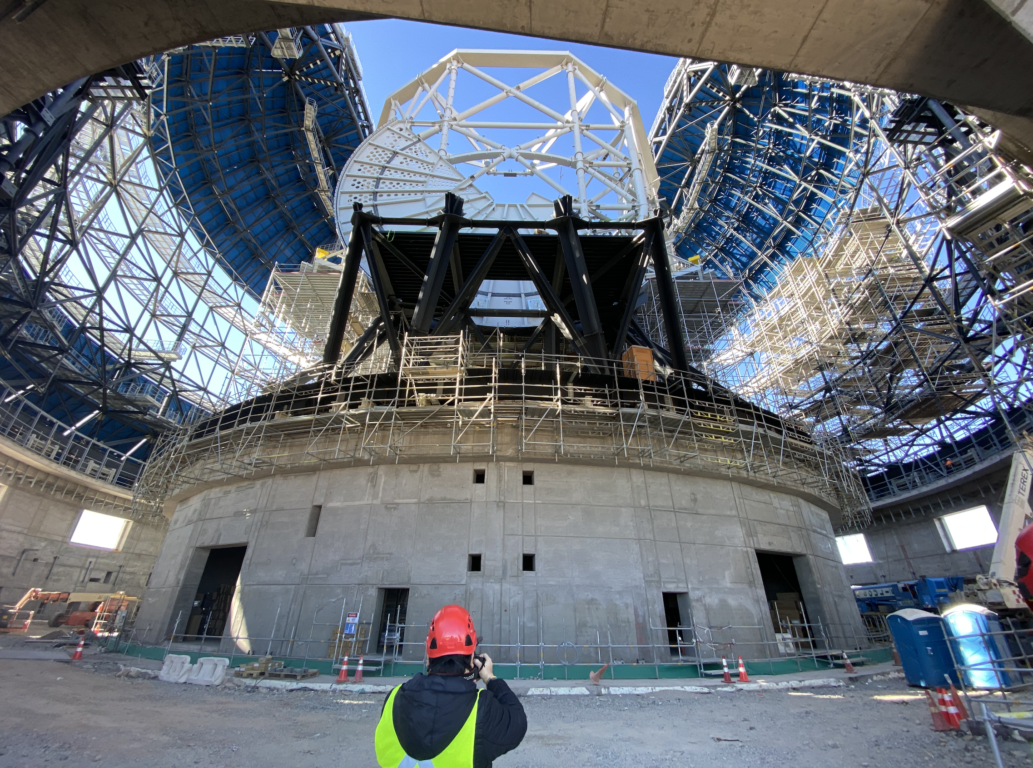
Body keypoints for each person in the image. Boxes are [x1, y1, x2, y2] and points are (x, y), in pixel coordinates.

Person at [375, 604, 527, 768]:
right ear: (471, 659)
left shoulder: (394, 698)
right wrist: (490, 678)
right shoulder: (482, 710)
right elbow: (517, 721)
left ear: (428, 656)